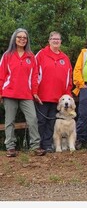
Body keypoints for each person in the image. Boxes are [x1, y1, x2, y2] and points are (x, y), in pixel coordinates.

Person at [0, 28, 46, 157]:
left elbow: (35, 76)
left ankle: (35, 146)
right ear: (14, 39)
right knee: (9, 121)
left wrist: (35, 92)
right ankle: (10, 147)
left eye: (24, 37)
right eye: (19, 37)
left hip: (26, 94)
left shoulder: (31, 56)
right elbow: (1, 75)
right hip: (9, 93)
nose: (22, 39)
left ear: (27, 40)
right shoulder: (7, 55)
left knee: (33, 119)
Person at [35, 31, 73, 153]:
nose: (56, 41)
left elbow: (68, 79)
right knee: (40, 121)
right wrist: (34, 91)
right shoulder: (41, 54)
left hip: (58, 99)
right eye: (53, 38)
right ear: (49, 41)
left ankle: (47, 145)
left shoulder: (65, 58)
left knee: (52, 122)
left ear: (61, 41)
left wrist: (67, 96)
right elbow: (34, 74)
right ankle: (37, 145)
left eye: (58, 39)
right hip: (42, 96)